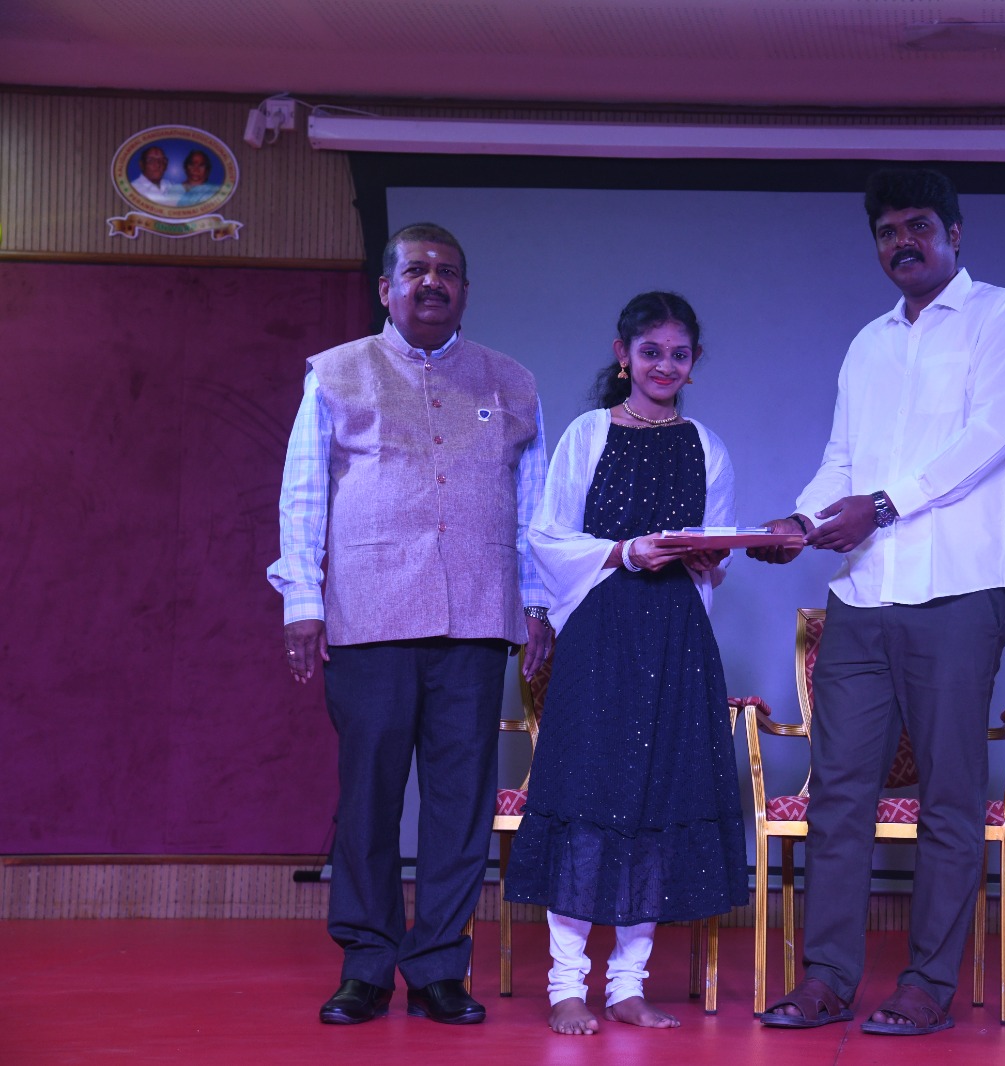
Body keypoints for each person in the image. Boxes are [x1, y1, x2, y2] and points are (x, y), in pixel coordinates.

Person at [750, 168, 1005, 1035]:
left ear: (955, 233)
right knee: (839, 793)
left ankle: (926, 986)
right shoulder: (868, 343)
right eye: (887, 232)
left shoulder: (1002, 316)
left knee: (950, 797)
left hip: (956, 592)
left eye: (919, 225)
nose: (902, 242)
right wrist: (801, 522)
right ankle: (827, 979)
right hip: (862, 593)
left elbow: (988, 438)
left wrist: (881, 506)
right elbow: (841, 459)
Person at [268, 222, 554, 1026]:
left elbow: (534, 507)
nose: (433, 282)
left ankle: (438, 969)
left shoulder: (512, 381)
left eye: (448, 272)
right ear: (386, 288)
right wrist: (303, 601)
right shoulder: (337, 373)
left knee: (460, 803)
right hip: (370, 615)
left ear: (465, 290)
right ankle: (366, 964)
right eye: (417, 270)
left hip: (477, 619)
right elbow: (303, 493)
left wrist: (537, 604)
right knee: (369, 798)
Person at [504, 292, 749, 1037]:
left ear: (694, 364)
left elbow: (714, 555)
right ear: (623, 356)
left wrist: (709, 556)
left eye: (679, 354)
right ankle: (566, 985)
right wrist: (625, 552)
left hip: (676, 640)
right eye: (651, 352)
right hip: (602, 632)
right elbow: (548, 537)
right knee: (586, 801)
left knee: (657, 804)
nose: (664, 366)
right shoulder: (588, 434)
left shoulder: (708, 447)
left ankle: (628, 985)